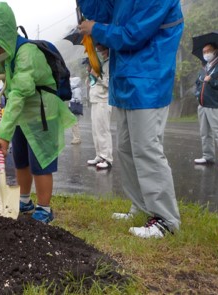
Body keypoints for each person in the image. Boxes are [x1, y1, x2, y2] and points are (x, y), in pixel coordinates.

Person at [78, 0, 183, 238]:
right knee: (125, 149)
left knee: (146, 149)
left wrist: (96, 29)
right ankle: (142, 206)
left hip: (148, 79)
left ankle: (166, 220)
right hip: (125, 78)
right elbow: (101, 11)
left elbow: (132, 35)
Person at [0, 2, 76, 223]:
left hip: (41, 115)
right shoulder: (5, 54)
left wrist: (3, 133)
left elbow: (19, 93)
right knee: (21, 161)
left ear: (3, 38)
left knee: (41, 163)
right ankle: (24, 199)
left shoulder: (27, 53)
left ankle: (45, 208)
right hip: (19, 116)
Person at [194, 42, 218, 169]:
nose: (206, 54)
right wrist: (197, 93)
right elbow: (198, 82)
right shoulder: (204, 67)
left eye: (208, 51)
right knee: (204, 132)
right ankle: (207, 156)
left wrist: (213, 81)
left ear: (215, 50)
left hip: (215, 104)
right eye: (204, 51)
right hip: (202, 105)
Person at [86, 44, 113, 170]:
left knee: (103, 130)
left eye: (103, 48)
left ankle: (107, 158)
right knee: (96, 131)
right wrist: (91, 74)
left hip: (103, 101)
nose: (100, 51)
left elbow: (110, 83)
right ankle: (99, 155)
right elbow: (93, 83)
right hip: (95, 100)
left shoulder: (111, 63)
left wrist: (98, 76)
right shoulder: (103, 63)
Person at [69, 77, 83, 145]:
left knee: (75, 124)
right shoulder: (75, 89)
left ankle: (76, 138)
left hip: (75, 108)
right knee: (74, 123)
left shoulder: (76, 90)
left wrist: (73, 100)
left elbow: (78, 99)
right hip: (74, 108)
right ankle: (76, 138)